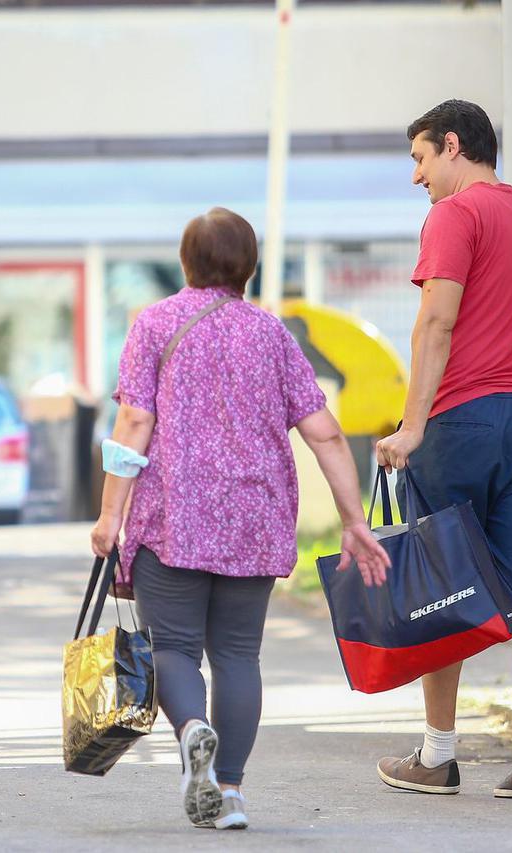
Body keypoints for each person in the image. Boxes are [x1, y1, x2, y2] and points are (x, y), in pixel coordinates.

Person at [90, 207, 390, 830]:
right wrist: (353, 518)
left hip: (172, 518)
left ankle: (193, 729)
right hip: (255, 518)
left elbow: (134, 424)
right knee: (237, 654)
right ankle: (229, 792)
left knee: (172, 647)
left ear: (185, 262)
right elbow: (326, 434)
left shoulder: (154, 325)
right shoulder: (271, 334)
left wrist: (109, 515)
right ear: (249, 266)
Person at [374, 100, 512, 800]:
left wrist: (411, 425)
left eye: (421, 158)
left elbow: (436, 320)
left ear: (454, 145)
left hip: (459, 422)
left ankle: (438, 753)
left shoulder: (455, 216)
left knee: (444, 583)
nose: (417, 177)